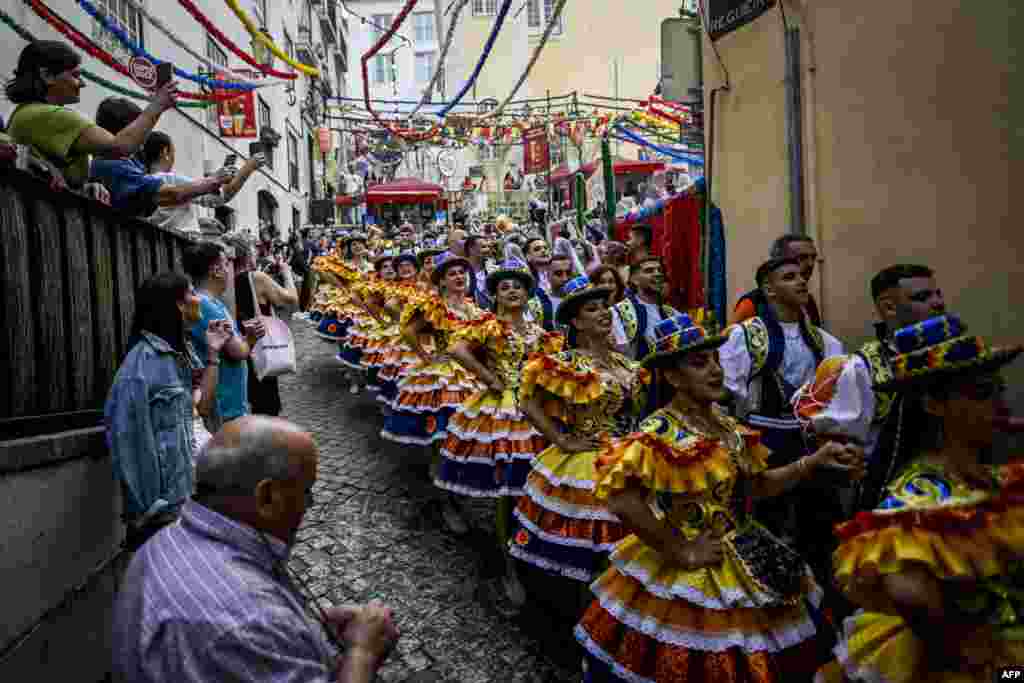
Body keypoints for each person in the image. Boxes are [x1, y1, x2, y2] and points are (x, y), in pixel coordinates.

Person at [575, 313, 865, 683]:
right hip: (693, 568)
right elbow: (622, 501)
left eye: (714, 359)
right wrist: (679, 549)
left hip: (750, 550)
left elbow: (756, 488)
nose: (714, 370)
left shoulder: (728, 426)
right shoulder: (658, 432)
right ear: (673, 377)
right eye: (699, 363)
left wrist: (811, 463)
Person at [813, 314, 1024, 683]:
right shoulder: (920, 496)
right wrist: (966, 646)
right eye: (980, 393)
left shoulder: (998, 479)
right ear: (933, 404)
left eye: (998, 390)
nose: (998, 405)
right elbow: (908, 592)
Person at [111, 416, 400, 683]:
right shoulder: (252, 622)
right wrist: (362, 653)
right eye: (306, 492)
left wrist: (305, 629)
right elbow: (248, 623)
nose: (309, 506)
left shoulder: (162, 542)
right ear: (267, 497)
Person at [510, 276, 649, 590]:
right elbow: (527, 400)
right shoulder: (566, 363)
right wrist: (561, 439)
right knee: (594, 546)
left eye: (605, 307)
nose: (603, 313)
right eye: (592, 309)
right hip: (590, 463)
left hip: (634, 458)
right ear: (576, 321)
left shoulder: (624, 362)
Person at [439, 258, 564, 606]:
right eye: (505, 287)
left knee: (536, 488)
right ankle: (510, 566)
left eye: (518, 287)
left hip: (537, 409)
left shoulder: (538, 331)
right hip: (504, 410)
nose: (512, 291)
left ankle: (533, 549)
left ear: (528, 294)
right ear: (494, 295)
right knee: (508, 490)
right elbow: (456, 348)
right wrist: (491, 379)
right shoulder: (487, 324)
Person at [718, 256, 844, 601]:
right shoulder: (745, 337)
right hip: (761, 442)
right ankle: (765, 597)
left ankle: (816, 601)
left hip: (809, 443)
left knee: (814, 524)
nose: (802, 281)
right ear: (768, 289)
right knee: (763, 524)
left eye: (803, 276)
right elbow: (730, 394)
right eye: (789, 277)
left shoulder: (825, 343)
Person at [792, 264, 947, 514]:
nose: (938, 303)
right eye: (923, 297)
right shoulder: (861, 369)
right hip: (893, 509)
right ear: (888, 307)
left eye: (938, 294)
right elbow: (838, 462)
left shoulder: (955, 358)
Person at [105, 272, 232, 550]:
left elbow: (201, 408)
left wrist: (213, 353)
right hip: (165, 511)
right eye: (191, 293)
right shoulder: (140, 367)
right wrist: (152, 510)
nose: (198, 299)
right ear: (178, 305)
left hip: (192, 493)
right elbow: (127, 442)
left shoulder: (181, 354)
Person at [5, 40, 176, 186]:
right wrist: (157, 106)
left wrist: (87, 188)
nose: (82, 84)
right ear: (47, 75)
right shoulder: (48, 115)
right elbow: (121, 146)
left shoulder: (26, 112)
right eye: (75, 75)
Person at [89, 98, 228, 216]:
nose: (144, 138)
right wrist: (211, 181)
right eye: (141, 129)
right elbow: (169, 195)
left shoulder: (127, 163)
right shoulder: (112, 165)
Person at [184, 242, 257, 431]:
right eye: (226, 264)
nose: (229, 270)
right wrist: (252, 337)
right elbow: (237, 351)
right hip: (223, 406)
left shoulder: (212, 303)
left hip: (226, 404)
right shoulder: (206, 305)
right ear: (216, 270)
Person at [142, 132, 265, 232]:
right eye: (173, 152)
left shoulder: (144, 181)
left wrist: (201, 221)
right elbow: (222, 196)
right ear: (165, 152)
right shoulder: (170, 179)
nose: (174, 157)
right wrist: (249, 166)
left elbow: (170, 216)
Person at [231, 237, 299, 416]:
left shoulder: (225, 280)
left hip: (234, 349)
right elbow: (290, 299)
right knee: (265, 408)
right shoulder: (256, 278)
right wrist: (286, 272)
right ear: (247, 255)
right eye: (254, 249)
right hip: (259, 349)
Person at [732, 234, 824, 327]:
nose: (811, 264)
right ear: (778, 260)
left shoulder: (809, 302)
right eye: (802, 258)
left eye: (813, 257)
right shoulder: (752, 304)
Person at [610, 257, 679, 361]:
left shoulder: (671, 313)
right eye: (649, 271)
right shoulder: (618, 312)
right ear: (634, 280)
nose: (657, 274)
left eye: (659, 270)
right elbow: (622, 354)